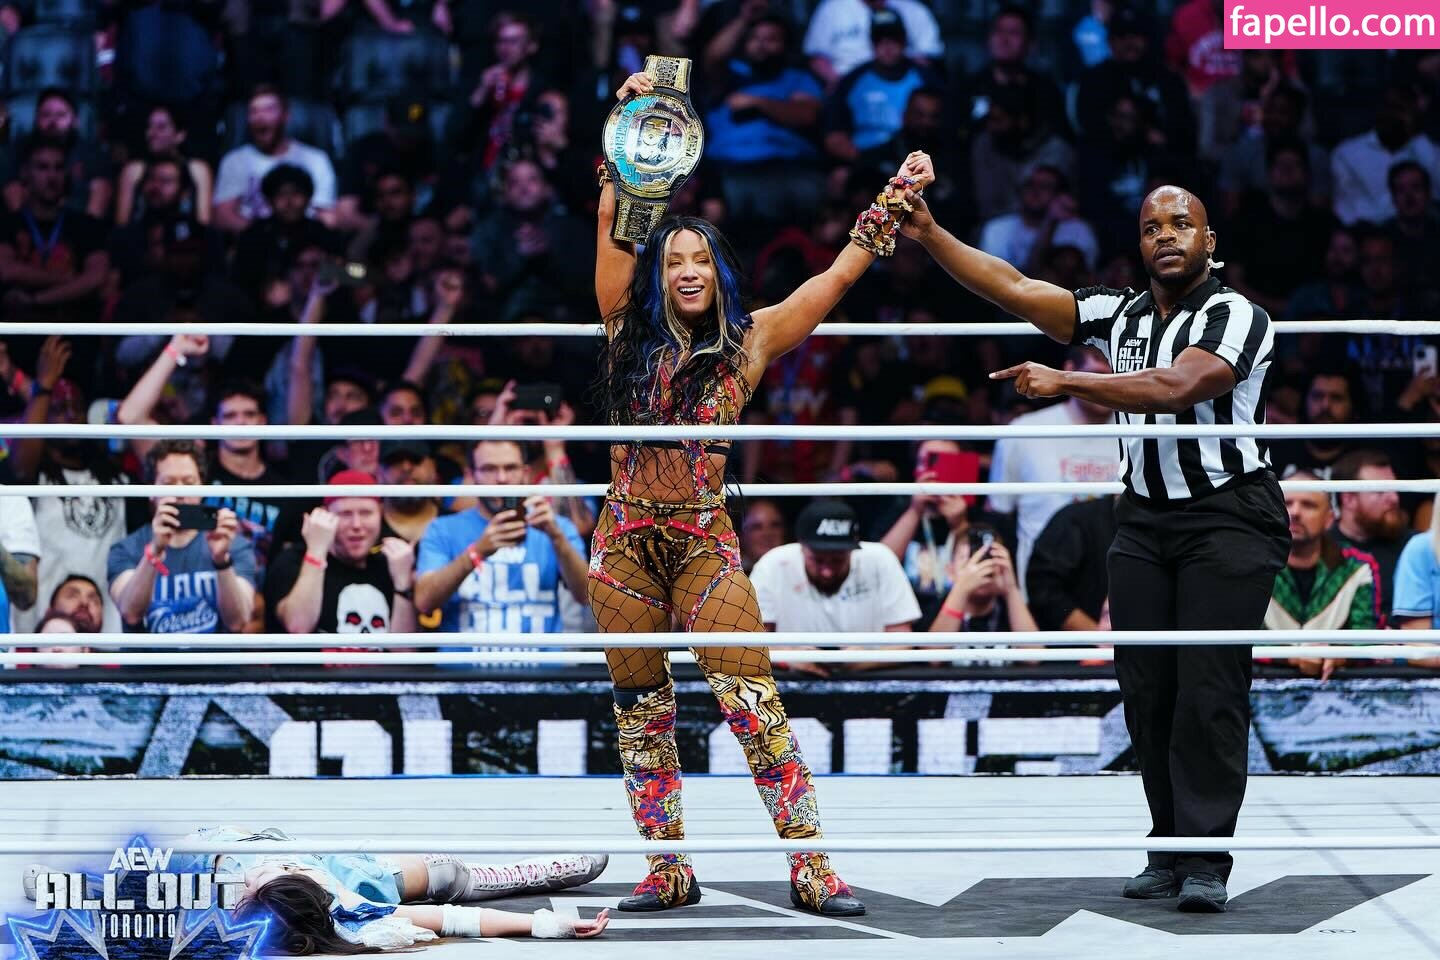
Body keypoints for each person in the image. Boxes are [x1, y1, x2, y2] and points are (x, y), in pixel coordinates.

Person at [585, 72, 932, 917]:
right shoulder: (623, 327)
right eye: (674, 260)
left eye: (700, 258)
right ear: (659, 275)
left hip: (704, 542)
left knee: (754, 702)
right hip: (623, 544)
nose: (687, 270)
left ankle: (812, 867)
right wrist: (629, 123)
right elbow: (612, 218)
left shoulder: (751, 342)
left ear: (719, 273)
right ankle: (668, 868)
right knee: (640, 712)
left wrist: (892, 200)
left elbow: (835, 280)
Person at [902, 176, 1289, 912]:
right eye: (1151, 227)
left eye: (1181, 224)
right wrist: (930, 235)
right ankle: (1169, 845)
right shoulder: (1122, 313)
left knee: (1208, 685)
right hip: (1142, 518)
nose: (1165, 235)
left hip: (1229, 515)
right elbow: (1015, 288)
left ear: (1209, 241)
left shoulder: (1238, 314)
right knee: (1146, 686)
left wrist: (1071, 383)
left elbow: (1181, 386)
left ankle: (1206, 857)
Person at [24, 827, 609, 948]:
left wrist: (65, 889)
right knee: (451, 882)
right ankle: (521, 874)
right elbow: (460, 921)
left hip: (330, 855)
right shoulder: (353, 910)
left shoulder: (217, 885)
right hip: (365, 872)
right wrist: (550, 924)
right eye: (268, 873)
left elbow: (131, 890)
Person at [987, 347, 1118, 588]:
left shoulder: (1137, 431)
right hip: (1041, 587)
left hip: (1115, 585)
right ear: (1069, 370)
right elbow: (998, 513)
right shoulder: (1024, 431)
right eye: (1098, 375)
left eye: (1115, 377)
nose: (1106, 385)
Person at [108, 440, 257, 635]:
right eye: (168, 483)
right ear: (150, 490)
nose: (180, 492)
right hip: (151, 656)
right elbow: (131, 614)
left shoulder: (234, 544)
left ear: (202, 487)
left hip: (214, 656)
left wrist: (221, 560)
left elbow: (238, 622)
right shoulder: (126, 549)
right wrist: (155, 551)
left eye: (189, 482)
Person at [751, 500, 920, 667]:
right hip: (790, 679)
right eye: (818, 560)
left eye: (837, 560)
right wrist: (789, 658)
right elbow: (752, 643)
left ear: (852, 550)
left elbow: (903, 641)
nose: (827, 571)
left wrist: (865, 660)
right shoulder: (773, 564)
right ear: (801, 546)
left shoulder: (880, 559)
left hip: (868, 678)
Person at [268, 472, 418, 636]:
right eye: (345, 514)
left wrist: (403, 583)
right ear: (325, 516)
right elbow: (298, 627)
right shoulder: (292, 560)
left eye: (366, 513)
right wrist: (316, 552)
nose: (356, 525)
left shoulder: (389, 566)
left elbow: (404, 649)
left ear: (381, 513)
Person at [1265, 471, 1379, 681]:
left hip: (1336, 692)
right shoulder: (1253, 564)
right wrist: (1292, 658)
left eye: (1308, 505)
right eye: (1287, 503)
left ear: (1329, 519)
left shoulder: (1357, 567)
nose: (1295, 512)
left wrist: (1338, 656)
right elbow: (1236, 634)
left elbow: (1368, 637)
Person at [213, 84, 338, 233]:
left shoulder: (316, 160)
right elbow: (222, 216)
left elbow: (327, 217)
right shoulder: (234, 161)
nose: (260, 117)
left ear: (286, 116)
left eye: (268, 110)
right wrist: (265, 236)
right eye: (254, 111)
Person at [1328, 449, 1410, 619]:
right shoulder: (1320, 550)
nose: (1394, 498)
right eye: (1380, 491)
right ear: (1349, 499)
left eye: (1395, 488)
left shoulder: (1413, 547)